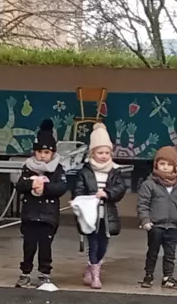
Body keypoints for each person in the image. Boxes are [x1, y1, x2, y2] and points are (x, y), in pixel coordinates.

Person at [67, 122, 129, 290]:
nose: (104, 156)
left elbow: (120, 188)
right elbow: (78, 189)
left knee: (104, 243)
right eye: (100, 152)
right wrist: (83, 199)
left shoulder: (114, 171)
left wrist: (107, 193)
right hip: (90, 215)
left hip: (107, 215)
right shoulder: (85, 172)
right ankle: (95, 274)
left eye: (107, 152)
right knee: (93, 243)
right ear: (92, 152)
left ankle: (91, 267)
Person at [14, 131, 65, 289]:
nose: (42, 156)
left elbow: (61, 187)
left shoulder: (58, 169)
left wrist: (46, 187)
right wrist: (31, 184)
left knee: (45, 246)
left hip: (48, 216)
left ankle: (44, 273)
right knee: (29, 245)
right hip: (30, 213)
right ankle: (25, 273)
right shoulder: (28, 168)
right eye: (39, 152)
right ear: (34, 152)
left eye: (46, 152)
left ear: (53, 153)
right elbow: (19, 186)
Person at [135, 146, 177, 289]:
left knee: (170, 254)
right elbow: (143, 204)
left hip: (173, 226)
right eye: (162, 164)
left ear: (174, 166)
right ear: (156, 165)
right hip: (155, 226)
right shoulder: (149, 184)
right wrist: (145, 220)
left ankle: (168, 277)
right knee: (152, 252)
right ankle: (149, 275)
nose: (165, 167)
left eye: (169, 164)